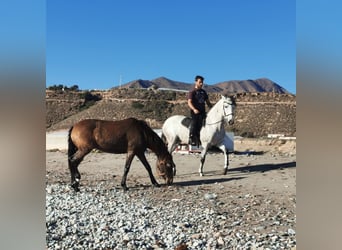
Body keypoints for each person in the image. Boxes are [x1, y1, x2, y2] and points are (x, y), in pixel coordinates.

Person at [187, 75, 212, 146]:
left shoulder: (204, 92)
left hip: (203, 111)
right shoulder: (192, 92)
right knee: (194, 123)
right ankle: (191, 138)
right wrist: (194, 109)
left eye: (202, 82)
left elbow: (208, 102)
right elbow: (189, 102)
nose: (201, 84)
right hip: (195, 112)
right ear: (196, 82)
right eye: (200, 82)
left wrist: (212, 108)